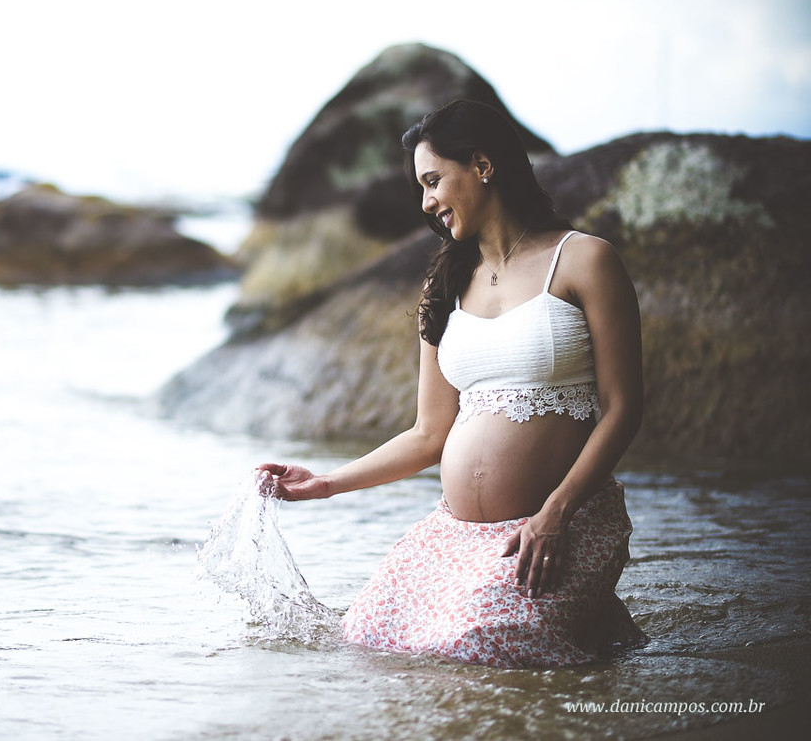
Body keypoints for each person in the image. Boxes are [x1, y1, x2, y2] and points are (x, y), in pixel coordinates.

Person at [257, 99, 647, 668]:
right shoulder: (445, 287)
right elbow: (427, 433)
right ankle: (601, 632)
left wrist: (555, 513)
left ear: (483, 165)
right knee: (366, 638)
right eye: (421, 187)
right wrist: (326, 483)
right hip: (454, 536)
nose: (426, 202)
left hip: (551, 529)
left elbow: (623, 409)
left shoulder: (584, 260)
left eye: (434, 180)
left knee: (478, 647)